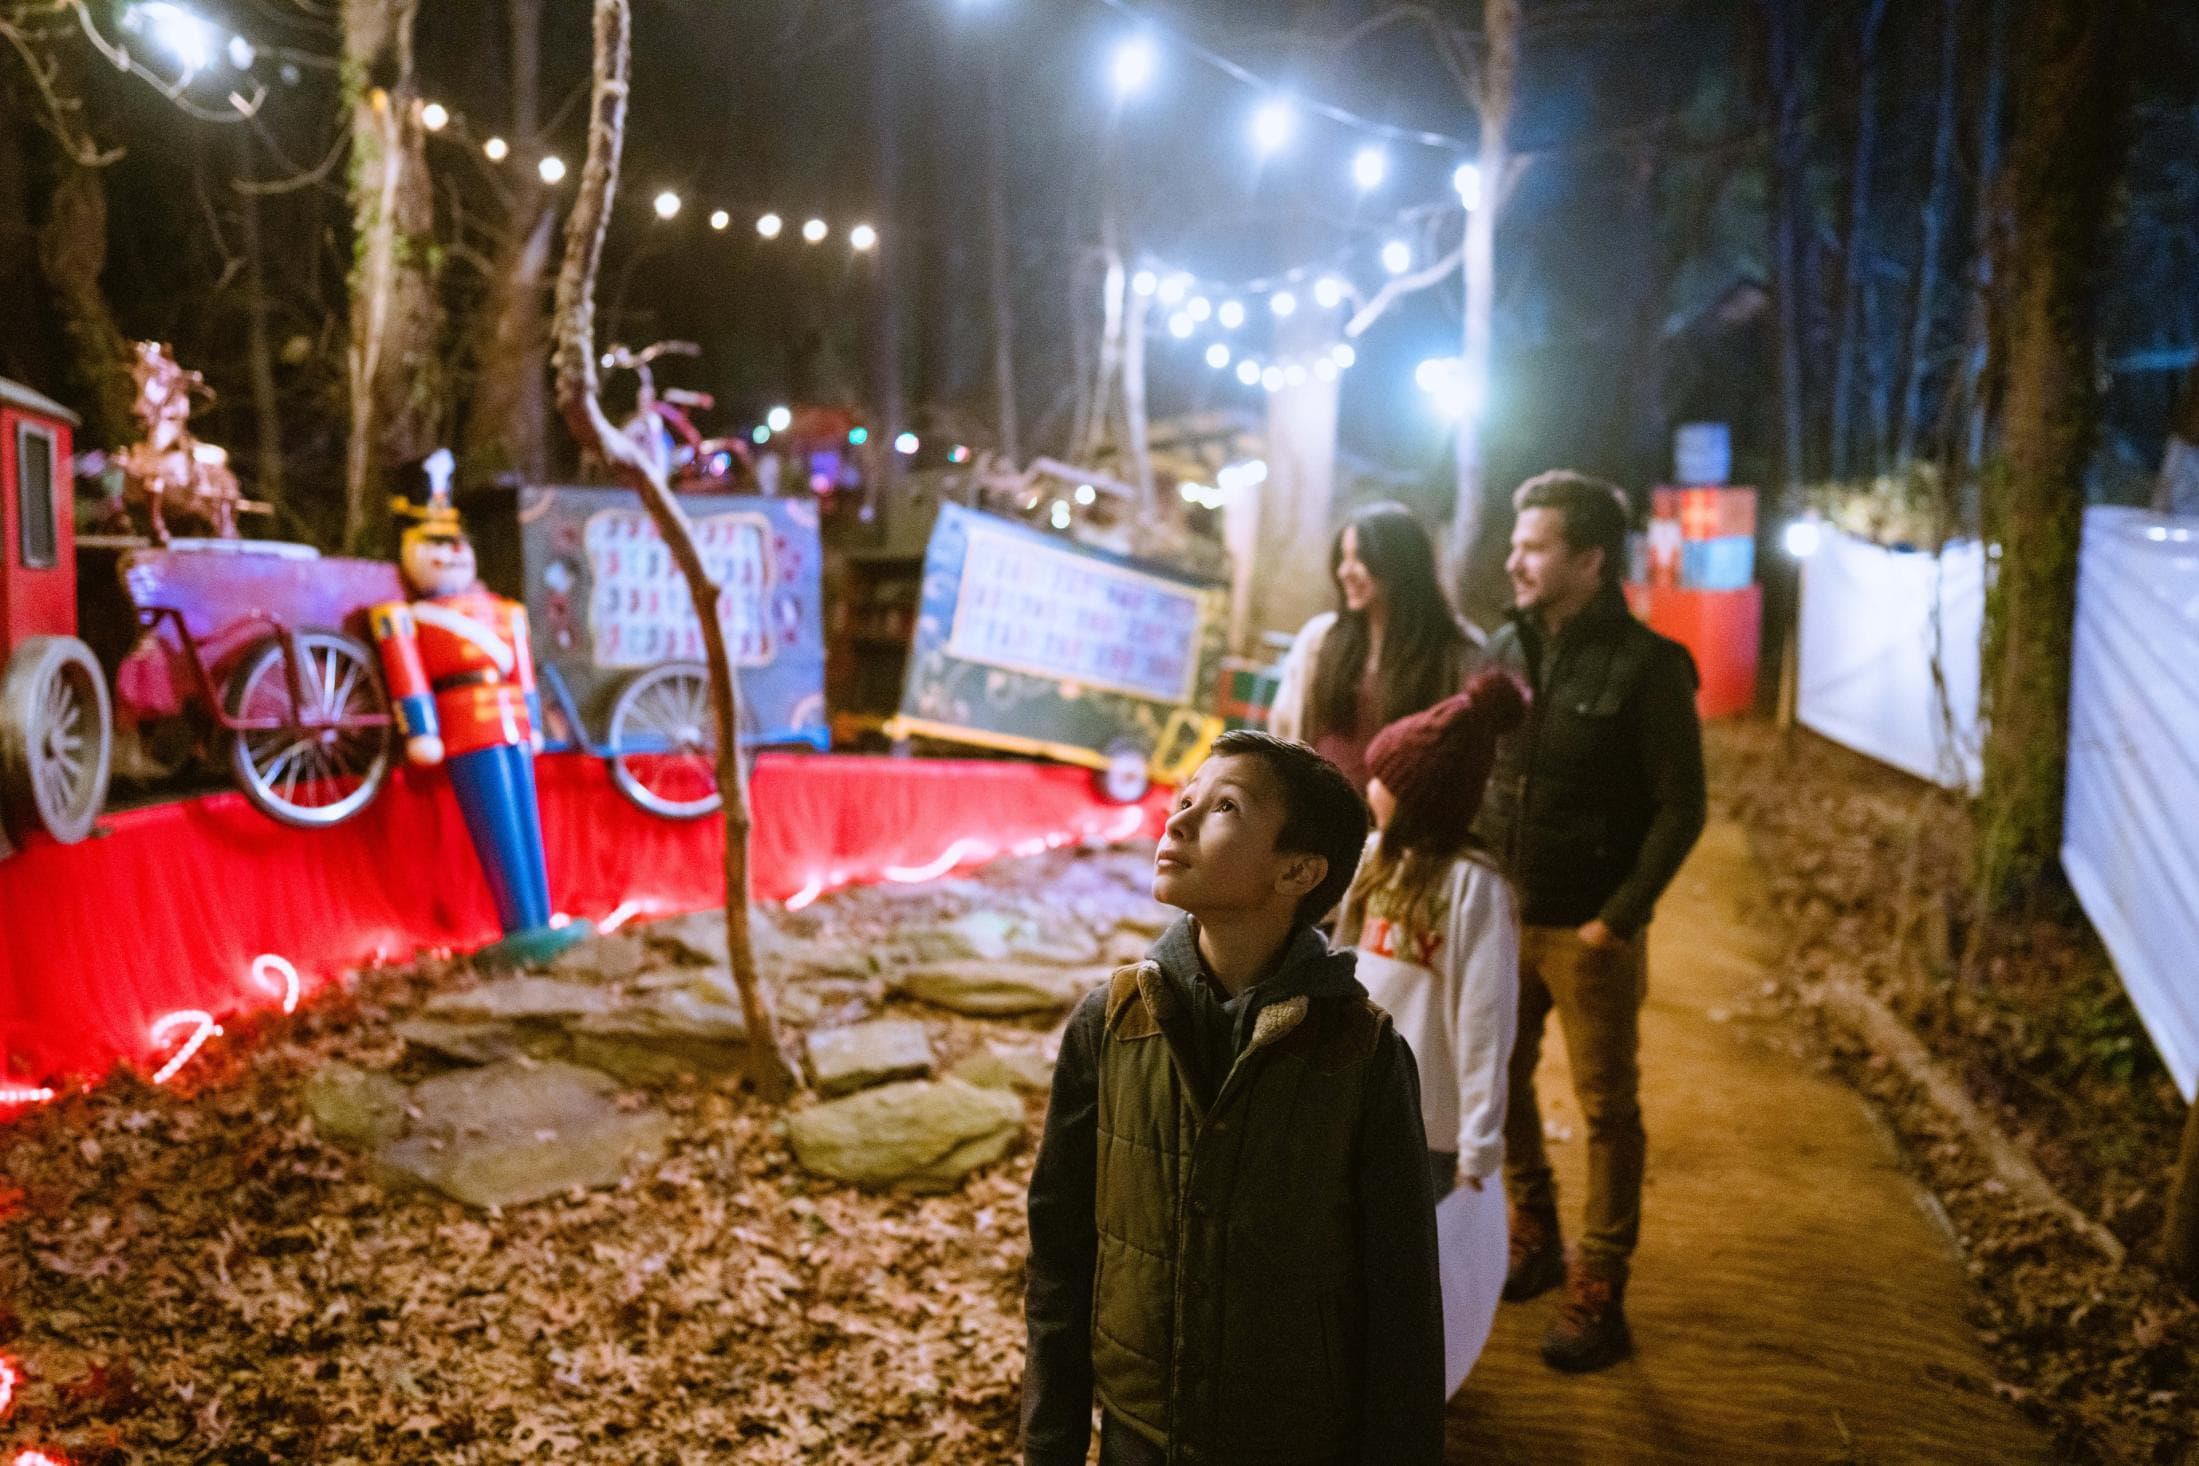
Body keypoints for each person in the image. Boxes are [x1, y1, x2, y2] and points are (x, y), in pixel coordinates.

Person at [1021, 731, 1445, 1466]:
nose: (1175, 822)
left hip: (1292, 1437)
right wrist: (1047, 1444)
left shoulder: (1359, 1056)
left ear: (1298, 871)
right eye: (1182, 800)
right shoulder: (1113, 1021)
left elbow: (1401, 1300)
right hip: (1138, 1432)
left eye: (1223, 808)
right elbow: (1060, 1254)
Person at [1472, 470, 1707, 1374]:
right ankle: (1531, 1226)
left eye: (1533, 547)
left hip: (1589, 930)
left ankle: (1599, 1283)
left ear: (1588, 560)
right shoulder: (1502, 645)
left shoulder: (1649, 668)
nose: (1514, 560)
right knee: (1499, 1077)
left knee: (1607, 1108)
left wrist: (1619, 919)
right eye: (1516, 542)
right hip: (1502, 914)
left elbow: (1681, 808)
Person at [1339, 667, 1527, 1201]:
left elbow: (1485, 1019)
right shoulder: (1375, 857)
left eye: (1385, 779)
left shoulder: (1475, 887)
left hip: (1427, 1128)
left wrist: (1479, 1144)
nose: (1370, 785)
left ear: (1417, 799)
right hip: (1356, 1103)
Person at [1268, 502, 1480, 791]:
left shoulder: (1454, 653)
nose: (1345, 571)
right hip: (1319, 815)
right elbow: (1284, 728)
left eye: (1360, 558)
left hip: (1404, 825)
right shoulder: (1320, 639)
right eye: (1342, 558)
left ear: (1399, 564)